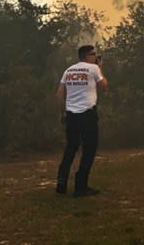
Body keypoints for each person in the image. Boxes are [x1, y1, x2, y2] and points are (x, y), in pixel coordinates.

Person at [55, 45, 107, 197]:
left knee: (71, 148)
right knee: (89, 149)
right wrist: (100, 68)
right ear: (86, 56)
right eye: (93, 54)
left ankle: (61, 182)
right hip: (87, 114)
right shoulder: (93, 69)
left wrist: (62, 112)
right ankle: (80, 186)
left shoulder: (69, 70)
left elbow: (59, 94)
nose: (95, 57)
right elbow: (104, 86)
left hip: (71, 114)